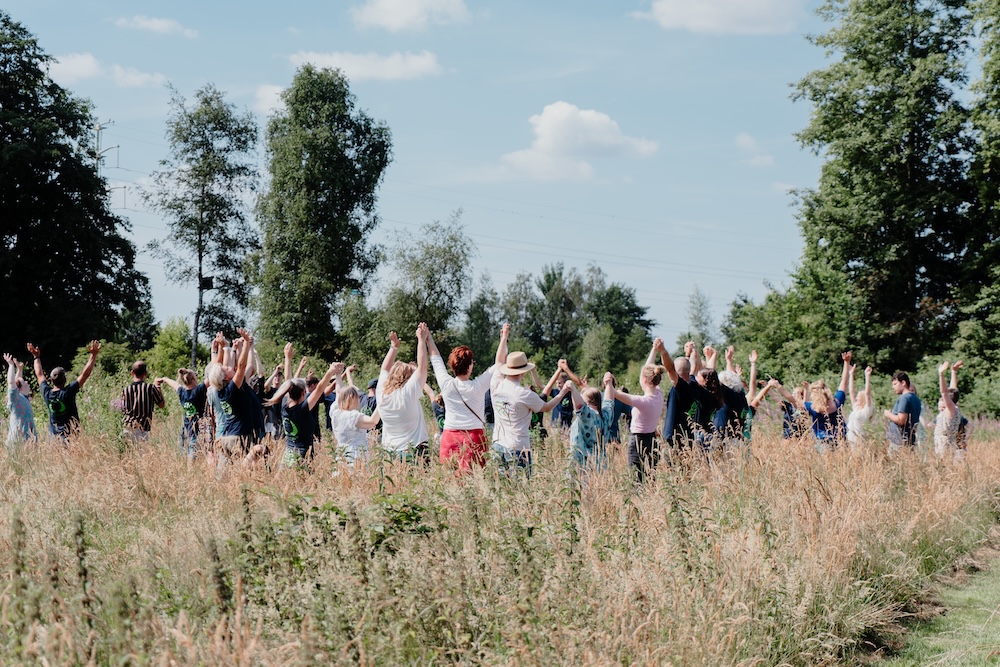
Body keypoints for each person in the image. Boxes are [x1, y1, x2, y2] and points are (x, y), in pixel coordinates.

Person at [491, 326, 569, 476]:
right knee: (521, 486)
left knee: (502, 485)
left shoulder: (496, 384)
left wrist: (504, 338)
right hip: (518, 447)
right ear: (523, 371)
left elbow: (498, 361)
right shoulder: (524, 393)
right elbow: (546, 407)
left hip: (498, 443)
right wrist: (563, 392)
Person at [427, 325, 503, 473]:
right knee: (475, 477)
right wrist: (504, 339)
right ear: (469, 366)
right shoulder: (478, 386)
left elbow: (436, 360)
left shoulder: (447, 384)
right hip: (474, 437)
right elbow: (499, 364)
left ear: (453, 366)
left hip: (450, 436)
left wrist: (428, 338)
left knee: (451, 478)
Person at [610, 339, 668, 482]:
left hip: (637, 441)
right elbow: (648, 368)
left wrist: (608, 382)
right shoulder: (659, 394)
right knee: (651, 477)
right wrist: (654, 349)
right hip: (652, 440)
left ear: (645, 380)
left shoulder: (642, 401)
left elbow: (615, 394)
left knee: (636, 478)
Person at [266, 361, 339, 468]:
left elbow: (289, 380)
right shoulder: (302, 408)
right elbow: (319, 389)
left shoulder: (284, 405)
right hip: (302, 457)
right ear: (304, 393)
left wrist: (288, 359)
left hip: (287, 456)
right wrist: (330, 371)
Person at [377, 325, 431, 462]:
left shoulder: (381, 393)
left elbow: (384, 369)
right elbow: (422, 366)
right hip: (413, 452)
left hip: (390, 454)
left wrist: (393, 347)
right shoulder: (408, 393)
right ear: (408, 378)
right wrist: (421, 340)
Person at [27, 339, 100, 440]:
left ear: (51, 380)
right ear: (65, 380)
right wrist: (93, 355)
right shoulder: (68, 391)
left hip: (54, 440)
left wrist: (36, 357)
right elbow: (85, 374)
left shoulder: (47, 393)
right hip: (71, 438)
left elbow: (39, 374)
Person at [207, 328, 256, 466]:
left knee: (229, 472)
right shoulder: (231, 389)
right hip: (239, 437)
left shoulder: (221, 391)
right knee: (244, 471)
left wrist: (226, 347)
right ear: (225, 377)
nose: (229, 367)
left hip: (228, 437)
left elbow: (233, 366)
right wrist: (246, 343)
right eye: (226, 369)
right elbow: (241, 366)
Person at [328, 363, 382, 467]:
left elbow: (339, 392)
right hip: (356, 458)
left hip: (342, 456)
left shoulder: (335, 412)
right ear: (352, 398)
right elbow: (373, 421)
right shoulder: (353, 416)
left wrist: (338, 374)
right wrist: (382, 402)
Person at [157, 368, 208, 459]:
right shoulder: (198, 391)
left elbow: (175, 384)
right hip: (197, 430)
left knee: (187, 454)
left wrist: (165, 379)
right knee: (193, 458)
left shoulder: (182, 392)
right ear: (193, 379)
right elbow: (211, 379)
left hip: (186, 429)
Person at [565, 376, 615, 469]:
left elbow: (579, 405)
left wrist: (573, 388)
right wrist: (609, 383)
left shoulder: (587, 415)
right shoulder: (606, 415)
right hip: (601, 463)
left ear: (587, 403)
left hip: (583, 464)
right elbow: (609, 401)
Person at [120, 360, 165, 443]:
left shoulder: (126, 390)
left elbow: (122, 408)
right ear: (145, 373)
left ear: (132, 372)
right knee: (140, 451)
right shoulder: (150, 388)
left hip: (127, 427)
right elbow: (161, 404)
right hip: (142, 429)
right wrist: (157, 386)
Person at [932, 360, 965, 463]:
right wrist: (953, 372)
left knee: (943, 466)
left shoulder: (951, 409)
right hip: (947, 442)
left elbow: (944, 392)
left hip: (944, 444)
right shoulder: (954, 407)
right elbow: (953, 390)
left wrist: (941, 374)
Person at [4, 352, 36, 448]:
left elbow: (18, 381)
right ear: (19, 389)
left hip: (29, 443)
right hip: (17, 444)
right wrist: (11, 365)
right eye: (24, 381)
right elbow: (12, 383)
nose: (26, 381)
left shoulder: (23, 397)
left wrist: (20, 369)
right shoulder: (16, 398)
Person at [884, 370, 921, 450]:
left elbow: (901, 420)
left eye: (895, 384)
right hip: (910, 440)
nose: (893, 387)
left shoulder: (904, 398)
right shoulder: (915, 398)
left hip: (899, 442)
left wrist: (889, 414)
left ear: (903, 383)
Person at [845, 364, 874, 447]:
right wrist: (851, 374)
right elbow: (851, 391)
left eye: (858, 397)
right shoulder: (856, 408)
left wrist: (867, 376)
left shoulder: (866, 410)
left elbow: (867, 393)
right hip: (849, 439)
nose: (856, 398)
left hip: (858, 440)